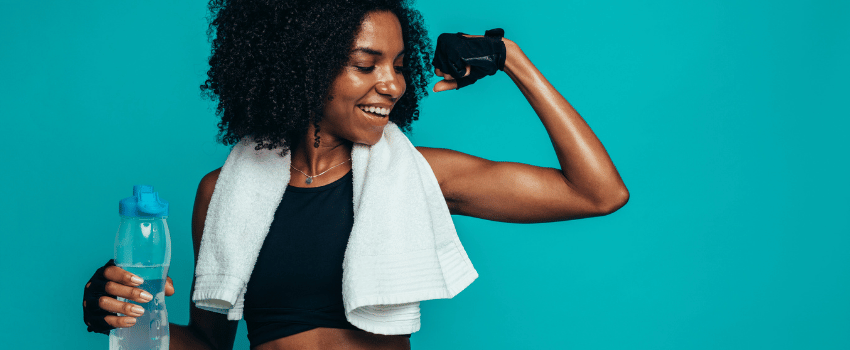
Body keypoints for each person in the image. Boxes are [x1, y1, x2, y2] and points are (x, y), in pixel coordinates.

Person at [82, 0, 629, 349]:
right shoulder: (224, 193)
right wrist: (119, 316)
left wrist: (512, 58)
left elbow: (598, 192)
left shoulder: (418, 176)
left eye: (397, 64)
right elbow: (207, 344)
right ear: (303, 66)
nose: (393, 85)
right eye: (367, 65)